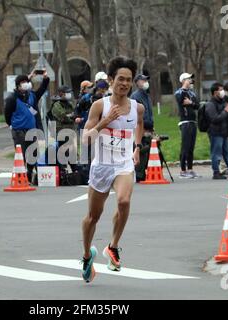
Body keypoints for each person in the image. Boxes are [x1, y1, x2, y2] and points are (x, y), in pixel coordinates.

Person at [80, 56, 144, 283]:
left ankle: (113, 246)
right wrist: (104, 122)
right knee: (92, 217)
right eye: (120, 79)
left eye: (128, 80)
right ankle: (87, 255)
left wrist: (136, 148)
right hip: (102, 166)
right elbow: (86, 139)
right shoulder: (100, 106)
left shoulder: (138, 107)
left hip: (124, 165)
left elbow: (139, 126)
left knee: (124, 201)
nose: (125, 83)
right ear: (110, 80)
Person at [4, 70, 50, 183]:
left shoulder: (32, 96)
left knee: (32, 154)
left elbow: (42, 90)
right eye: (23, 82)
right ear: (18, 85)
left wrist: (45, 79)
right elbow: (7, 113)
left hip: (32, 130)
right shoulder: (12, 98)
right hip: (19, 130)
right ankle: (20, 176)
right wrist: (11, 124)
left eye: (27, 81)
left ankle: (29, 173)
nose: (26, 84)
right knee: (22, 154)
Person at [174, 73, 200, 179]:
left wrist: (191, 103)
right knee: (185, 146)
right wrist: (190, 102)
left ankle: (190, 169)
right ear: (183, 80)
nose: (191, 81)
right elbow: (181, 101)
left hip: (193, 121)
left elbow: (197, 105)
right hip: (185, 122)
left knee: (191, 147)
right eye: (189, 79)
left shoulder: (192, 93)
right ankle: (182, 170)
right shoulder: (179, 92)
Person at [131, 74, 155, 182]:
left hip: (149, 128)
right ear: (137, 82)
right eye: (143, 80)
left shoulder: (147, 95)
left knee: (149, 151)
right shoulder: (136, 96)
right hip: (141, 129)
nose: (146, 82)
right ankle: (139, 174)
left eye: (146, 80)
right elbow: (136, 116)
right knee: (142, 151)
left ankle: (145, 172)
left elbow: (149, 113)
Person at [50, 85, 78, 173]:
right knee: (63, 151)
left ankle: (74, 169)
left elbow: (74, 114)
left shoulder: (69, 104)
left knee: (71, 151)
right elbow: (62, 116)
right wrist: (71, 117)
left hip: (70, 132)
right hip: (61, 132)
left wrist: (72, 116)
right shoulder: (56, 105)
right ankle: (62, 169)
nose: (69, 94)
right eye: (67, 92)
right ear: (61, 93)